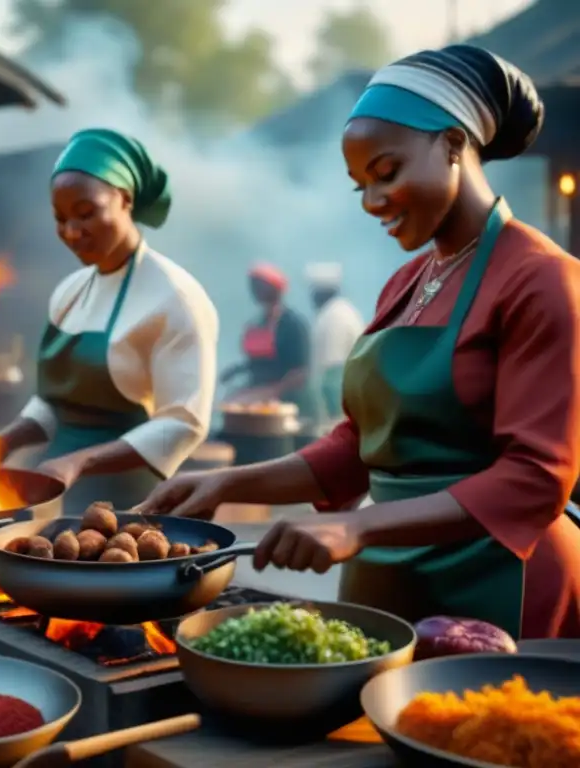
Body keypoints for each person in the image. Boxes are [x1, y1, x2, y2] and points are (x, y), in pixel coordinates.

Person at [137, 45, 580, 639]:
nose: (373, 202)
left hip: (501, 581)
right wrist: (229, 484)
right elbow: (359, 446)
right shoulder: (407, 282)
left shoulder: (542, 279)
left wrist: (361, 528)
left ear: (453, 145)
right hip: (389, 579)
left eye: (387, 172)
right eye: (359, 187)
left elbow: (536, 479)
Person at [0, 128, 218, 512]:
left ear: (125, 200)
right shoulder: (69, 292)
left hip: (129, 507)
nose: (71, 232)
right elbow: (55, 405)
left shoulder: (174, 296)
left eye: (86, 213)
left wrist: (81, 461)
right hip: (54, 493)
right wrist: (3, 442)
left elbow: (184, 422)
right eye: (60, 218)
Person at [220, 264, 316, 417]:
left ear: (275, 290)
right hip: (256, 390)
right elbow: (256, 362)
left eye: (259, 285)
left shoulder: (292, 325)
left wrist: (270, 392)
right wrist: (235, 371)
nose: (255, 290)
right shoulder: (257, 323)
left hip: (287, 398)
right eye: (254, 285)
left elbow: (300, 374)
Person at [305, 263, 365, 422]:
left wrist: (333, 416)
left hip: (342, 407)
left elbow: (333, 374)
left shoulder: (335, 317)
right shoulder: (340, 311)